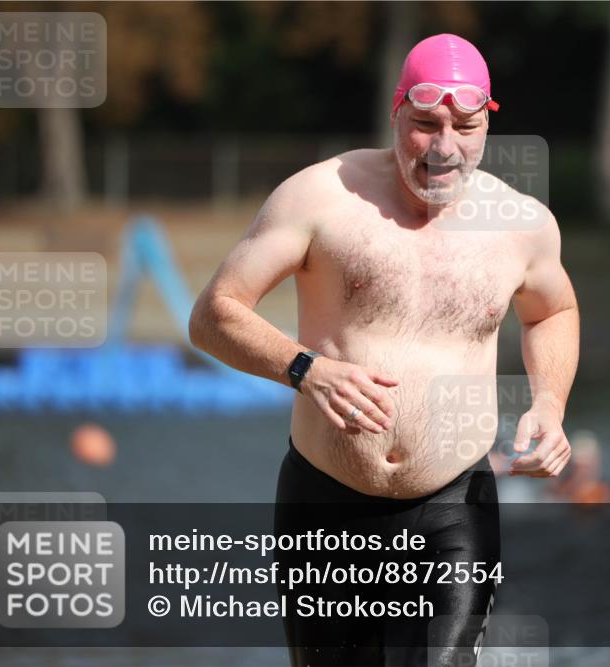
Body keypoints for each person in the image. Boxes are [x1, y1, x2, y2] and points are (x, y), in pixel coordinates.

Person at [190, 33, 580, 666]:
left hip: (453, 509)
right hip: (325, 504)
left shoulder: (522, 225)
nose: (444, 147)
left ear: (488, 123)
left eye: (464, 126)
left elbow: (554, 311)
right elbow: (213, 315)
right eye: (424, 124)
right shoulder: (321, 198)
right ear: (396, 111)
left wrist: (550, 403)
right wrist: (306, 370)